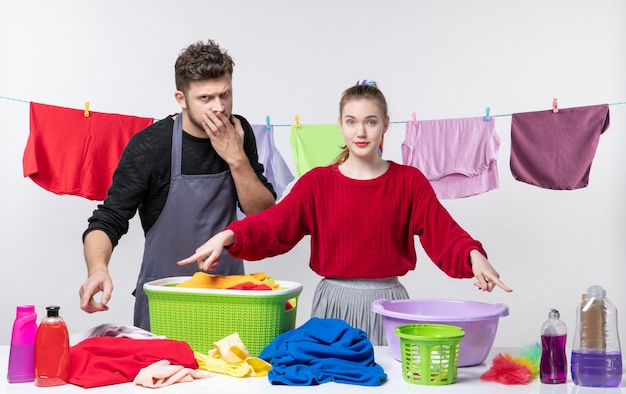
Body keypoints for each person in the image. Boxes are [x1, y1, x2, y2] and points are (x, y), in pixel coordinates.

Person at [178, 81, 512, 345]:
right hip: (332, 304)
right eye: (352, 122)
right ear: (340, 125)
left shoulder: (409, 182)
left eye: (370, 122)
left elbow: (444, 231)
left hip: (389, 305)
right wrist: (230, 233)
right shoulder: (317, 183)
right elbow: (275, 223)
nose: (361, 132)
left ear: (384, 126)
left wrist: (474, 256)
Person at [79, 39, 277, 331]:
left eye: (225, 94)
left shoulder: (239, 131)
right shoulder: (150, 145)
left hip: (230, 296)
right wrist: (97, 270)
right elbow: (108, 219)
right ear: (181, 98)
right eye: (206, 98)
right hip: (164, 302)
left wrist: (236, 158)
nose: (219, 107)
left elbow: (262, 213)